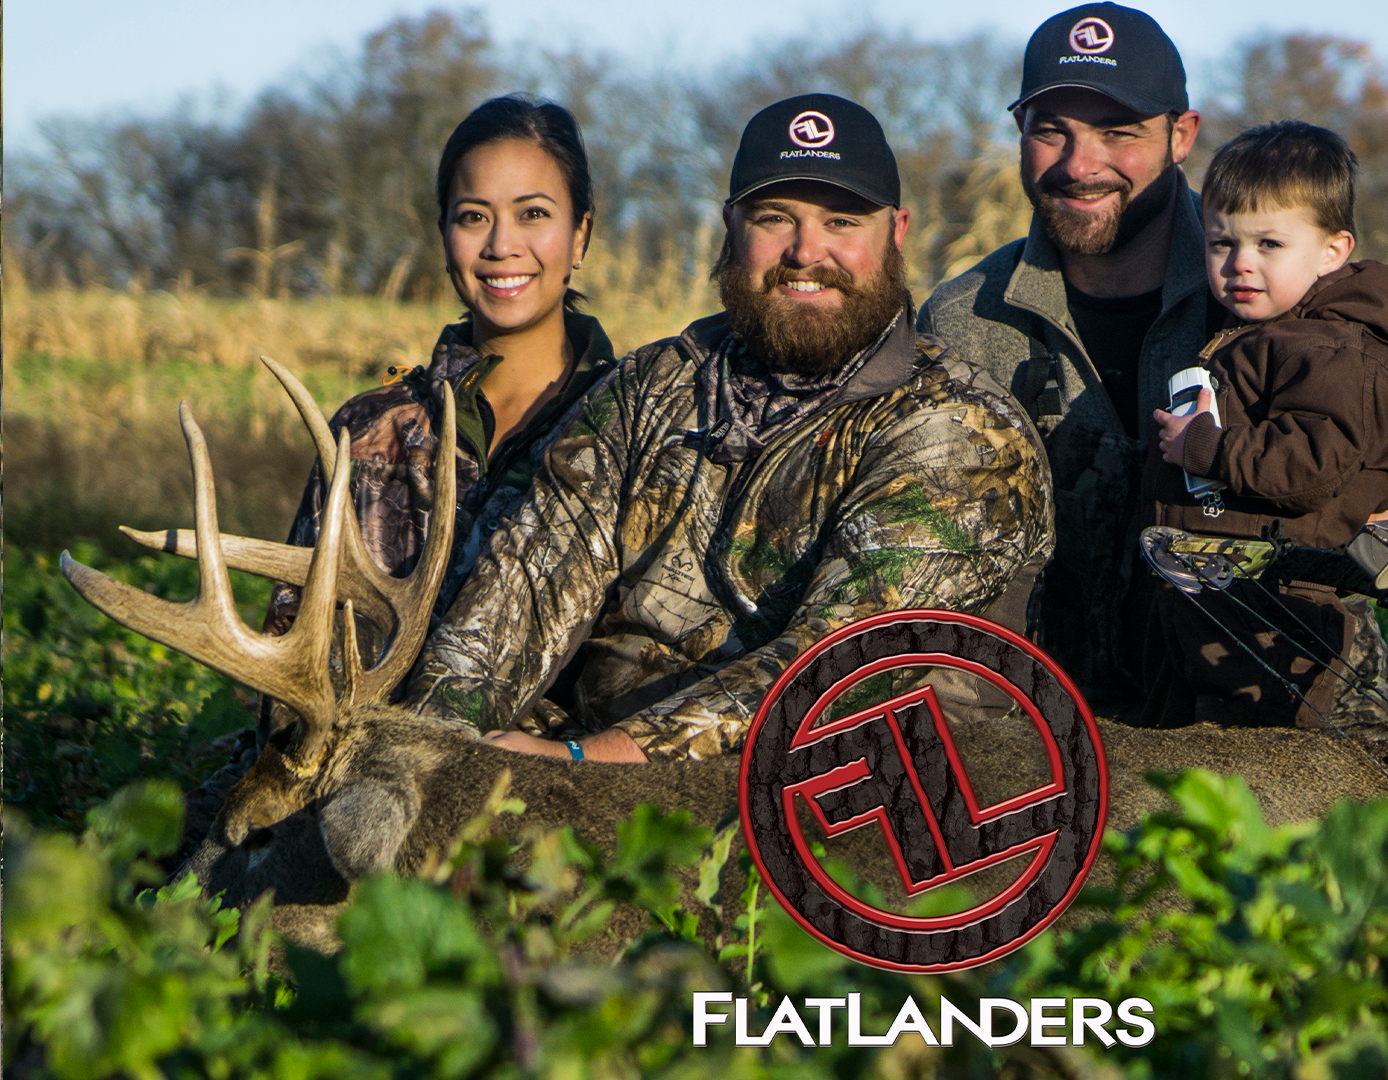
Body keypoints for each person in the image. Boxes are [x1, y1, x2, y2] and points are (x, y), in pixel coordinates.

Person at [402, 94, 1053, 763]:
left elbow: (842, 664)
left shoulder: (965, 431)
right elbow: (520, 595)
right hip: (588, 771)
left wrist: (586, 763)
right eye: (774, 218)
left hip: (836, 792)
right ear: (730, 228)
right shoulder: (649, 389)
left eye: (841, 220)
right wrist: (425, 751)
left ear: (897, 231)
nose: (806, 251)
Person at [917, 2, 1388, 714]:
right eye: (1050, 130)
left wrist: (1319, 537)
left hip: (1269, 678)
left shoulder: (1279, 280)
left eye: (1118, 131)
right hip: (1042, 700)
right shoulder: (964, 318)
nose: (1080, 165)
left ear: (1182, 135)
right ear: (1019, 130)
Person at [178, 95, 621, 854]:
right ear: (443, 234)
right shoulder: (369, 429)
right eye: (474, 216)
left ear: (580, 234)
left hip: (546, 799)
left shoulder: (642, 429)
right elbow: (296, 650)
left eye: (534, 214)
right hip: (348, 787)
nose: (502, 246)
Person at [1140, 121, 1388, 727]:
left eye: (1269, 244)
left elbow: (1315, 464)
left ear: (1332, 251)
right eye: (1221, 243)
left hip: (1288, 612)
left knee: (1294, 760)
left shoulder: (1334, 349)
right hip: (1226, 598)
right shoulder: (1269, 333)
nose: (1240, 264)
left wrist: (1204, 446)